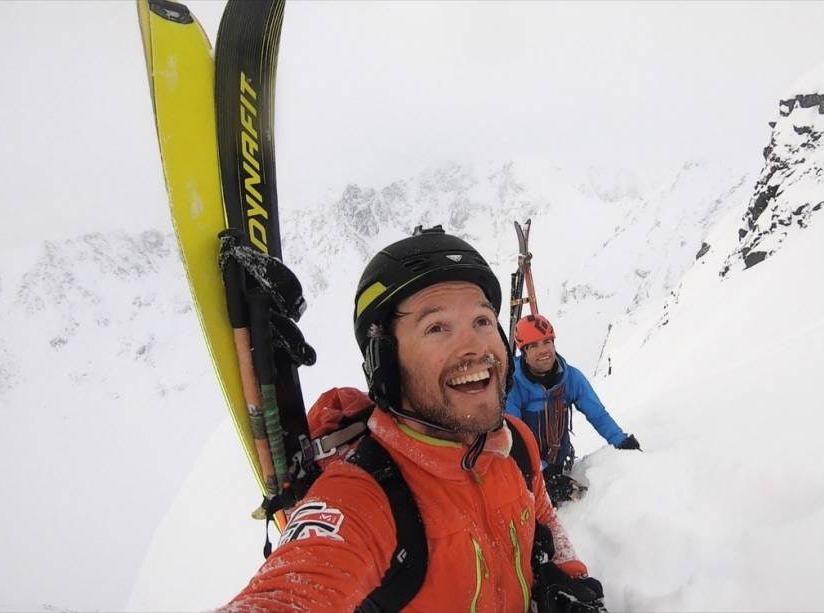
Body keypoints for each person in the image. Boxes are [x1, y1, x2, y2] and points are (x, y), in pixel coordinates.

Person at [223, 226, 606, 612]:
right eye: (436, 327)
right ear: (386, 363)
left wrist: (567, 577)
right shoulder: (362, 496)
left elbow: (543, 517)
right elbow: (287, 592)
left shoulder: (516, 443)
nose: (474, 345)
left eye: (482, 321)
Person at [506, 313, 641, 504]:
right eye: (533, 346)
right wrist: (542, 474)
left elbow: (598, 414)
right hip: (525, 469)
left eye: (547, 342)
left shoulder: (570, 379)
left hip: (558, 462)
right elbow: (513, 439)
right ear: (523, 351)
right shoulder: (513, 386)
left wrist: (621, 441)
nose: (543, 350)